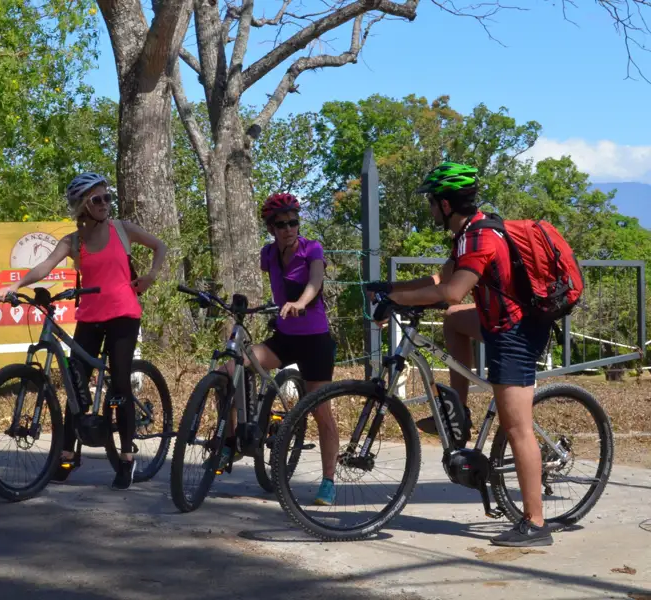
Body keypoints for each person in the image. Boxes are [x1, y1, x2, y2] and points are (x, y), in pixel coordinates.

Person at [370, 162, 553, 547]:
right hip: (495, 320)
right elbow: (440, 281)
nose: (429, 209)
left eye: (432, 203)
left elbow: (454, 291)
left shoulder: (482, 238)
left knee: (517, 426)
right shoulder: (467, 234)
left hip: (516, 333)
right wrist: (393, 287)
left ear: (446, 204)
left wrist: (395, 301)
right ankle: (461, 412)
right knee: (454, 321)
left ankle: (536, 523)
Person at [0, 172, 167, 490]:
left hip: (124, 315)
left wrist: (151, 276)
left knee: (119, 383)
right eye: (97, 199)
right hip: (90, 317)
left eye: (107, 198)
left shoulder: (122, 229)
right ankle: (66, 455)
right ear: (81, 206)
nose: (105, 204)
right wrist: (15, 285)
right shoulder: (74, 242)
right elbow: (45, 266)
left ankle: (127, 459)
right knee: (75, 386)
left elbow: (160, 246)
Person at [217, 192, 340, 505]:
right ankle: (229, 442)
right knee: (229, 368)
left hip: (315, 340)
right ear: (271, 228)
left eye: (293, 222)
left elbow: (315, 281)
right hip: (284, 338)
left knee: (320, 411)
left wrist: (300, 302)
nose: (289, 228)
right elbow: (273, 285)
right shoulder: (268, 254)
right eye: (281, 224)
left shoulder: (311, 248)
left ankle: (328, 481)